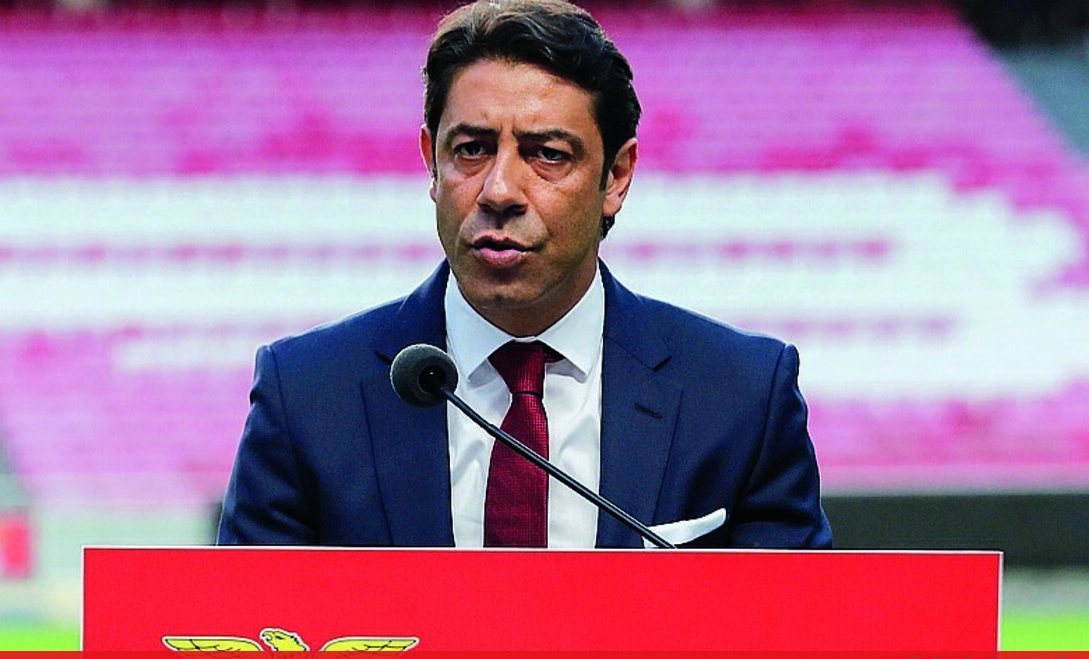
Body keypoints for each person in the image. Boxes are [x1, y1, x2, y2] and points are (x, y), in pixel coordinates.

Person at [218, 0, 831, 549]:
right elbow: (250, 631)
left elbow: (797, 633)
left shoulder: (741, 398)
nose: (499, 190)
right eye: (472, 149)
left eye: (547, 155)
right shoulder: (306, 396)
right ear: (431, 162)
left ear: (616, 177)